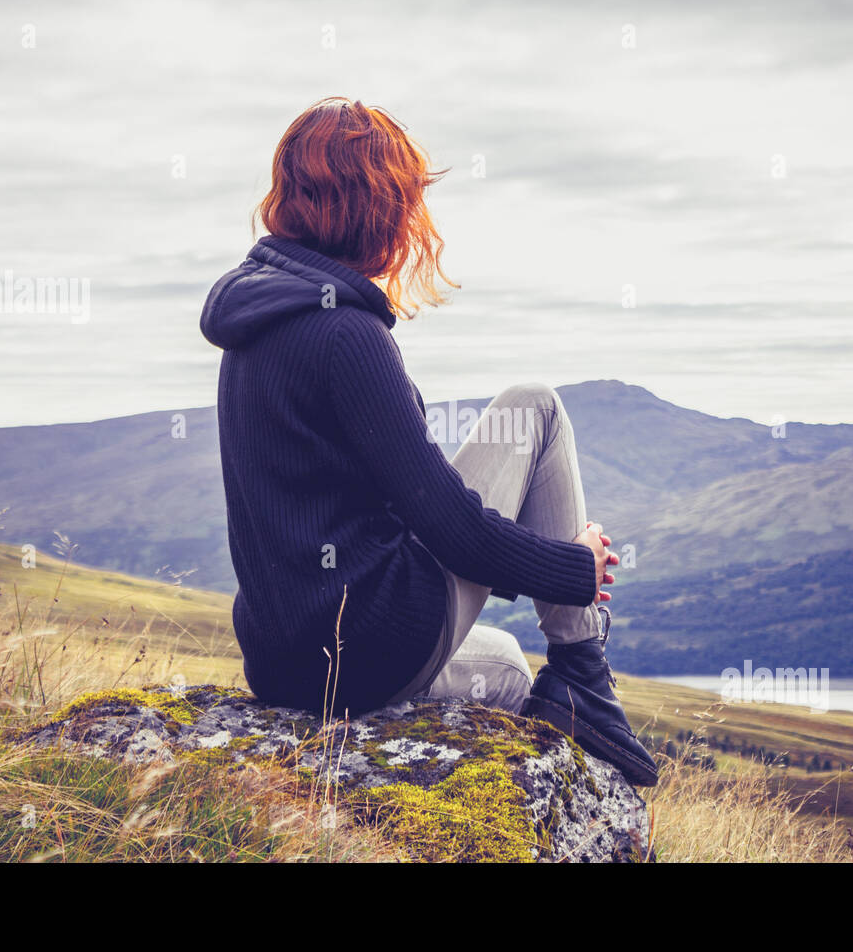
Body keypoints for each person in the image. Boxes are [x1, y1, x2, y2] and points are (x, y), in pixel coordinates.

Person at [200, 97, 657, 786]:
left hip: (285, 663)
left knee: (502, 663)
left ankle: (562, 697)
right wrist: (574, 568)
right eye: (403, 198)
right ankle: (582, 674)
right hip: (368, 644)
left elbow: (416, 501)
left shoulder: (255, 323)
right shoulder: (347, 336)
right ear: (375, 206)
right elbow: (452, 529)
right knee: (534, 406)